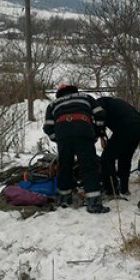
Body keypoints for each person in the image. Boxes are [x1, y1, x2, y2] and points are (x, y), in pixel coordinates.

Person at [43, 84, 109, 214]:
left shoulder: (53, 104)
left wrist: (58, 138)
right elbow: (100, 114)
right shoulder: (86, 97)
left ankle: (64, 200)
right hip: (83, 132)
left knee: (65, 166)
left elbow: (48, 127)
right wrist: (95, 132)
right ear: (74, 91)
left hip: (63, 135)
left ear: (59, 94)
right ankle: (94, 204)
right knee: (89, 166)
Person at [96, 96, 140, 196]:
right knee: (125, 158)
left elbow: (99, 120)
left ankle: (111, 189)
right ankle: (124, 188)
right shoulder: (114, 103)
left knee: (107, 158)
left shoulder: (98, 106)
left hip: (125, 127)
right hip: (139, 126)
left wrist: (99, 134)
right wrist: (102, 136)